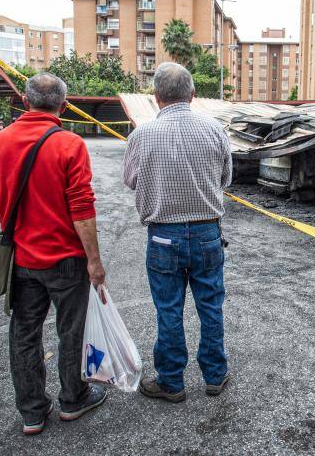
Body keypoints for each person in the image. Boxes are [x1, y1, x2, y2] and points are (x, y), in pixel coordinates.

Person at [0, 73, 108, 435]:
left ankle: (32, 412)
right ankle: (73, 399)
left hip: (21, 258)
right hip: (67, 260)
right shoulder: (70, 144)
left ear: (24, 100)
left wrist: (22, 223)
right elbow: (81, 207)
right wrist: (94, 261)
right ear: (64, 107)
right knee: (71, 331)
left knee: (23, 333)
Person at [122, 62, 232, 403]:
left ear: (156, 97)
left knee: (168, 309)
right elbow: (225, 178)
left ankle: (171, 382)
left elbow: (130, 180)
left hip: (162, 236)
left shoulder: (141, 134)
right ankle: (215, 376)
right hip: (207, 233)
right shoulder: (215, 130)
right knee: (210, 306)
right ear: (193, 94)